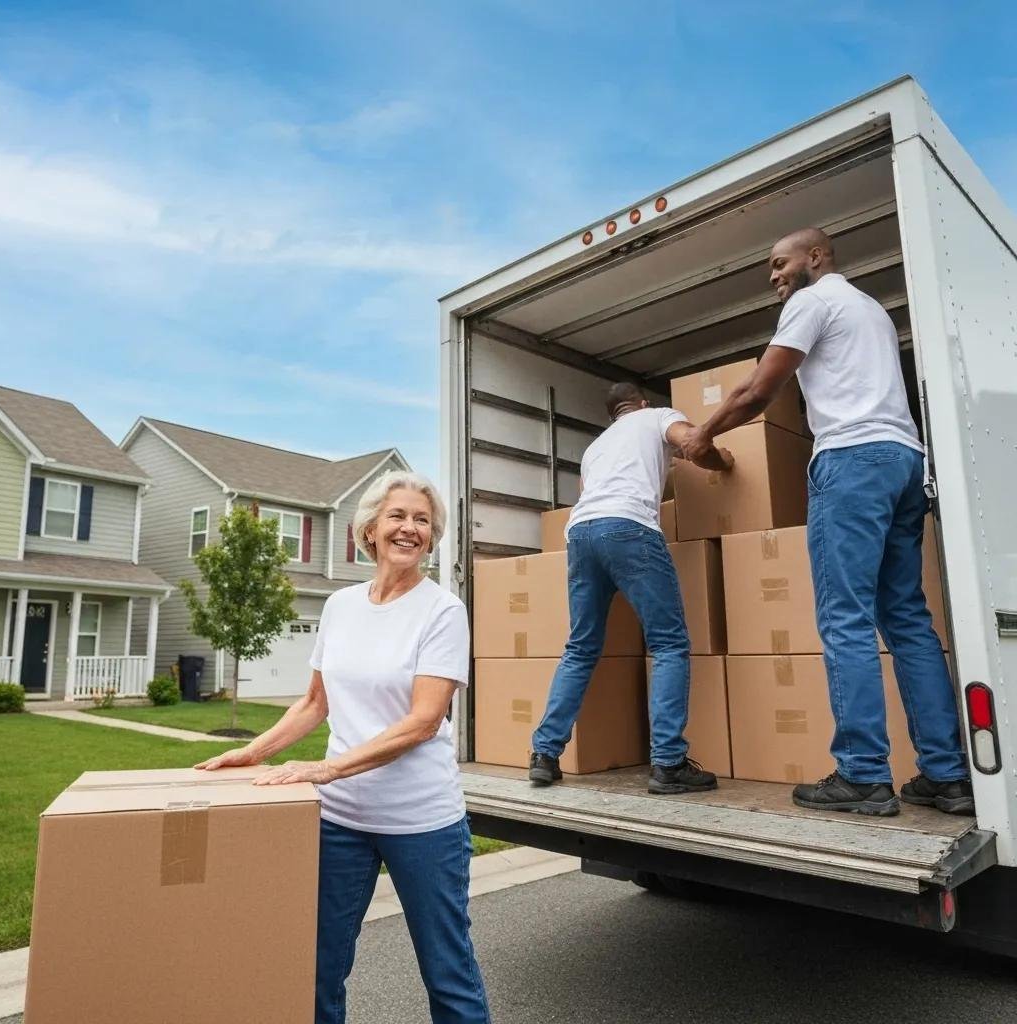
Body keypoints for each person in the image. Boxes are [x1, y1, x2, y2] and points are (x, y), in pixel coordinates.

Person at [682, 227, 973, 817]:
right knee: (909, 620)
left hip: (852, 461)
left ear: (816, 256)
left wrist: (702, 436)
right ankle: (946, 776)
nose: (774, 275)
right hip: (904, 460)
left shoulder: (812, 303)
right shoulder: (872, 311)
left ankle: (864, 774)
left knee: (846, 618)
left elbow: (758, 391)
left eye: (779, 261)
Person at [196, 471, 490, 1024]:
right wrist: (253, 751)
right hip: (342, 821)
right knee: (317, 965)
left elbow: (423, 722)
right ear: (370, 529)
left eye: (422, 520)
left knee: (447, 970)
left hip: (421, 822)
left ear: (433, 536)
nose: (410, 528)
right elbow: (314, 703)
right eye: (398, 516)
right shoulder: (340, 606)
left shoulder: (442, 611)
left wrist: (326, 768)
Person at [529, 382, 734, 795]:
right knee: (669, 642)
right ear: (641, 403)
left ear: (612, 414)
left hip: (582, 533)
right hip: (629, 527)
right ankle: (669, 764)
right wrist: (723, 461)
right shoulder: (658, 416)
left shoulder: (595, 448)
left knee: (581, 646)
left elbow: (587, 496)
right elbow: (693, 443)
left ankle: (545, 754)